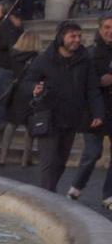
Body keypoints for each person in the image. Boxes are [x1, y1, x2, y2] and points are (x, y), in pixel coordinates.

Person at [19, 20, 106, 192]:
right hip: (48, 117)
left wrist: (98, 113)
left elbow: (92, 89)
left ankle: (48, 193)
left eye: (79, 36)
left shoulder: (85, 60)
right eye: (72, 36)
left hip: (71, 118)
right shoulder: (44, 59)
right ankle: (47, 198)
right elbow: (26, 82)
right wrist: (34, 88)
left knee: (60, 162)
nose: (77, 40)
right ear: (61, 38)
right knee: (49, 162)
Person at [66, 14, 112, 206]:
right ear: (100, 30)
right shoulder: (89, 54)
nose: (110, 31)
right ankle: (76, 187)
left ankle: (108, 195)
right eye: (107, 27)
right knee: (93, 152)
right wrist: (100, 82)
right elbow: (81, 83)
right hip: (94, 111)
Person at [0, 31, 43, 167]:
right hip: (30, 92)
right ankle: (25, 159)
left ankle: (2, 157)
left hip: (17, 93)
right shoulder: (37, 58)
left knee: (11, 124)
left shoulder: (14, 56)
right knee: (29, 128)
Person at [0, 0, 24, 132]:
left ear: (3, 10)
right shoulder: (14, 23)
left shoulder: (6, 23)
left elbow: (7, 43)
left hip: (6, 65)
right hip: (10, 65)